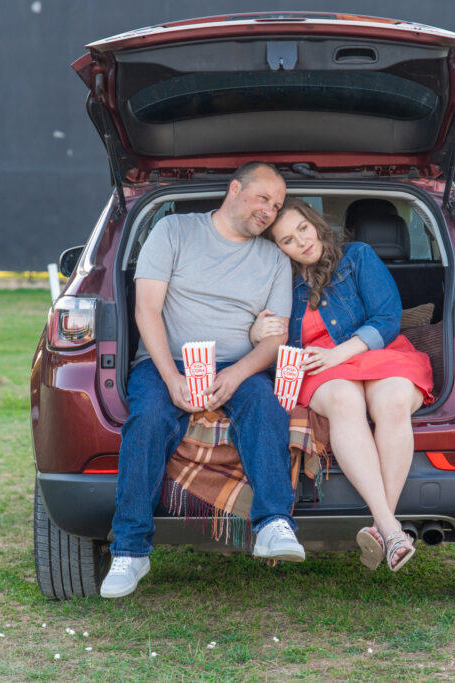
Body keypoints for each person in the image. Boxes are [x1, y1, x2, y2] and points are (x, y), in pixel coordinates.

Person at [102, 162, 305, 599]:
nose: (270, 211)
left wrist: (236, 374)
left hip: (239, 362)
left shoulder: (274, 258)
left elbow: (276, 339)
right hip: (166, 361)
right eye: (263, 198)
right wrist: (172, 376)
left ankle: (274, 524)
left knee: (266, 406)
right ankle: (131, 551)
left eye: (277, 205)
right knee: (150, 417)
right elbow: (147, 311)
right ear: (234, 190)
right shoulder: (174, 231)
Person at [251, 198, 433, 572]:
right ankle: (393, 530)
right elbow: (269, 338)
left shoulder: (358, 257)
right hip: (318, 367)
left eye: (302, 228)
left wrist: (342, 353)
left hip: (373, 350)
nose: (300, 242)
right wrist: (256, 333)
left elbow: (387, 317)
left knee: (395, 401)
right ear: (278, 249)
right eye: (287, 240)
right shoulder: (277, 281)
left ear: (316, 223)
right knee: (346, 403)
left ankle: (384, 525)